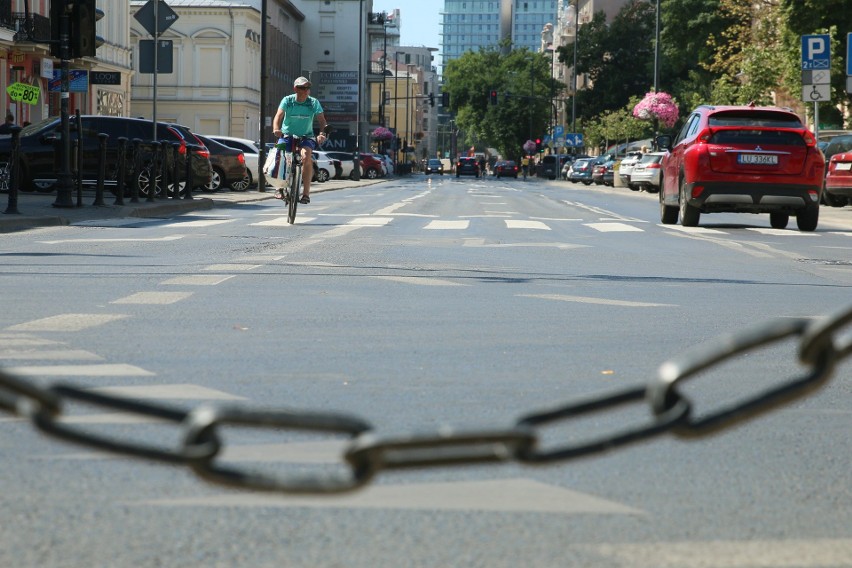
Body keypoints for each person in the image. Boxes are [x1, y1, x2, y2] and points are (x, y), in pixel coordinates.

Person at [272, 76, 328, 203]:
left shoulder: (313, 102)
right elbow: (278, 116)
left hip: (306, 136)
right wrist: (276, 129)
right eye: (302, 88)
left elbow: (322, 120)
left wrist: (322, 133)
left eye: (307, 88)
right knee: (280, 155)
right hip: (287, 135)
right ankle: (279, 188)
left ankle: (306, 194)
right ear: (295, 89)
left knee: (306, 156)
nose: (305, 90)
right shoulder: (287, 100)